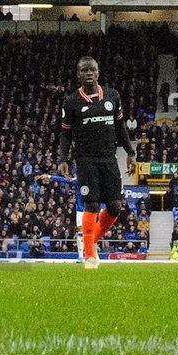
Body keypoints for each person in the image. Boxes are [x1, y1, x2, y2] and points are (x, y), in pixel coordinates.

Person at [57, 56, 136, 269]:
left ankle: (89, 241)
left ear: (98, 72)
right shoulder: (72, 101)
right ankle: (90, 256)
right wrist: (63, 159)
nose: (89, 73)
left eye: (92, 70)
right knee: (91, 203)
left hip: (109, 159)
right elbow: (65, 134)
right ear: (78, 74)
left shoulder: (112, 96)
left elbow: (121, 128)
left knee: (115, 207)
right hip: (86, 160)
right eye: (84, 70)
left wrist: (130, 152)